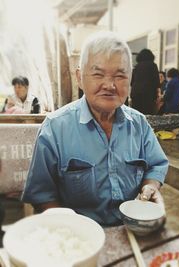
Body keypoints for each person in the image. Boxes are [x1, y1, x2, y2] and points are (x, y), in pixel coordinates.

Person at [22, 31, 168, 226]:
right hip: (78, 237)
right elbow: (42, 195)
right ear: (80, 77)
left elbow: (156, 165)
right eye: (98, 74)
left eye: (119, 75)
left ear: (130, 79)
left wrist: (151, 187)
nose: (109, 85)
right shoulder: (55, 128)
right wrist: (68, 227)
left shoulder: (139, 124)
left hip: (133, 229)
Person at [130, 49, 160, 115]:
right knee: (147, 115)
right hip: (148, 93)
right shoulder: (153, 65)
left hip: (135, 93)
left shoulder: (136, 67)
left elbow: (131, 82)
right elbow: (156, 82)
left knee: (136, 115)